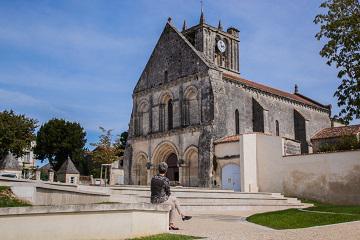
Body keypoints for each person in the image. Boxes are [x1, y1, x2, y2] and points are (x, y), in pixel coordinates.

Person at [150, 162, 192, 230]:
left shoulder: (153, 178)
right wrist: (165, 196)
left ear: (158, 169)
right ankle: (171, 224)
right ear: (166, 170)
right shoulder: (165, 180)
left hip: (153, 199)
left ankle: (182, 215)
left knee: (175, 199)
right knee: (172, 204)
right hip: (160, 200)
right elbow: (168, 192)